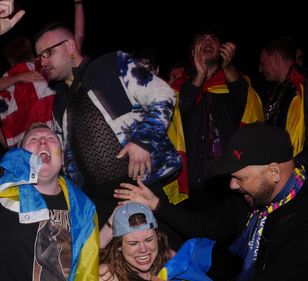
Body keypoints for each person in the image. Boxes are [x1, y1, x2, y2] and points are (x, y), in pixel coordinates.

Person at [0, 1, 99, 280]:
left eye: (51, 137)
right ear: (20, 154)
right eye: (34, 138)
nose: (44, 140)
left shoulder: (83, 207)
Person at [115, 123, 308, 280]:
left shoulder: (301, 222)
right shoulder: (255, 198)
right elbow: (207, 225)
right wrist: (156, 204)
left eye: (241, 178)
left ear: (274, 172)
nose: (233, 185)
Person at [34, 22, 181, 228]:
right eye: (39, 57)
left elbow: (164, 94)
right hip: (96, 201)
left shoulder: (112, 64)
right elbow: (65, 154)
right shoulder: (59, 101)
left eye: (48, 52)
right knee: (107, 259)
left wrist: (143, 140)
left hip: (139, 186)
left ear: (69, 46)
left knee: (160, 252)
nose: (43, 62)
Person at [174, 25, 263, 211]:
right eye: (202, 39)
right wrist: (199, 76)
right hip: (195, 178)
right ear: (193, 50)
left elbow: (245, 105)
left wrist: (228, 66)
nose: (207, 43)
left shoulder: (234, 81)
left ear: (223, 49)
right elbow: (178, 116)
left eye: (213, 39)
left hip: (230, 177)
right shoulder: (179, 86)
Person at [0, 0, 85, 148]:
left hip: (45, 138)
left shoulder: (43, 65)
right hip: (40, 139)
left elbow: (76, 42)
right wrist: (20, 77)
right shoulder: (19, 74)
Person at [99, 202, 172, 281]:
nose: (143, 249)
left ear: (158, 238)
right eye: (133, 243)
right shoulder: (107, 275)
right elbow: (87, 258)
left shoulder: (171, 261)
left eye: (149, 240)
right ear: (118, 246)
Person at [258, 36, 305, 156]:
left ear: (275, 59)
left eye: (263, 63)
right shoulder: (276, 88)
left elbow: (296, 143)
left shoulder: (299, 89)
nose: (260, 69)